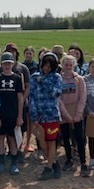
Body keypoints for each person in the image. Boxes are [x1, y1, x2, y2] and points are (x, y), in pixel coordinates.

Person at [29, 52, 63, 180]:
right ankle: (54, 163)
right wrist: (33, 115)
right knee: (42, 143)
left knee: (51, 141)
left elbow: (56, 93)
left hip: (51, 115)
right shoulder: (34, 77)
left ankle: (48, 168)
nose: (46, 69)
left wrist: (44, 81)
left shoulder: (56, 77)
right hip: (38, 115)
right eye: (45, 65)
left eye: (49, 66)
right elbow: (31, 96)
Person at [0, 52, 24, 175]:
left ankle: (14, 163)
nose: (7, 66)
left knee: (12, 138)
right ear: (1, 64)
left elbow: (20, 98)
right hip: (0, 114)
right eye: (5, 63)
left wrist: (20, 116)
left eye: (9, 64)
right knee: (0, 138)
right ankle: (1, 161)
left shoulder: (17, 78)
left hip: (13, 114)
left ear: (13, 64)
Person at [59, 54, 88, 176]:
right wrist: (66, 115)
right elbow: (58, 98)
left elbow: (83, 97)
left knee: (80, 138)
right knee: (65, 138)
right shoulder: (58, 79)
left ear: (74, 65)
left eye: (71, 65)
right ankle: (69, 159)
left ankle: (83, 163)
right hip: (63, 113)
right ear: (62, 65)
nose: (68, 67)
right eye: (66, 64)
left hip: (77, 113)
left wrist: (78, 114)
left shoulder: (79, 79)